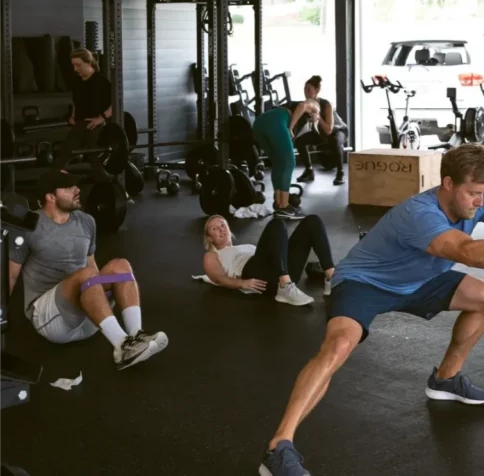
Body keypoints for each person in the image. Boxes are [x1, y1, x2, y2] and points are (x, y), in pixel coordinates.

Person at [258, 144, 484, 476]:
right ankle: (279, 446)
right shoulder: (419, 214)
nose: (480, 201)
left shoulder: (476, 199)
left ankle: (446, 379)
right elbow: (468, 253)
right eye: (473, 193)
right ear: (447, 184)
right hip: (367, 282)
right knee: (338, 347)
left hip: (420, 280)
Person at [8, 169, 168, 370]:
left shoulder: (87, 221)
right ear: (50, 197)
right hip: (50, 321)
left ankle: (135, 336)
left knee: (120, 265)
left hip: (86, 318)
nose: (77, 189)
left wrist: (99, 297)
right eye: (68, 187)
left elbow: (91, 266)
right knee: (87, 274)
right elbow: (10, 275)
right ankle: (121, 347)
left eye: (75, 185)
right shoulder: (28, 227)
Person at [202, 214, 335, 306]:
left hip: (279, 271)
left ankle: (332, 278)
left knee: (312, 221)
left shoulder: (246, 246)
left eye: (222, 225)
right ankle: (285, 286)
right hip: (255, 274)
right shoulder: (212, 255)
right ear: (209, 238)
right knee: (277, 223)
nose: (221, 229)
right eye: (215, 228)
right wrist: (241, 283)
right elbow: (218, 278)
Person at [252, 99, 321, 220]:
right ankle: (284, 206)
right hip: (276, 121)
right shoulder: (315, 107)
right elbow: (303, 105)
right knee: (289, 163)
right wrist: (291, 127)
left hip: (260, 123)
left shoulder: (302, 119)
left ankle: (279, 204)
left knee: (278, 163)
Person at [52, 48, 113, 181]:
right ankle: (57, 186)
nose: (75, 69)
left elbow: (115, 104)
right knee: (64, 153)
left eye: (78, 65)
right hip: (80, 123)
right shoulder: (77, 82)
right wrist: (73, 115)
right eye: (73, 65)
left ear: (89, 63)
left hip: (96, 124)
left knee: (93, 155)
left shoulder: (101, 81)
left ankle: (110, 184)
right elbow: (76, 101)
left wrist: (101, 118)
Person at [294, 76, 348, 186]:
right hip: (320, 133)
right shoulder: (306, 105)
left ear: (317, 90)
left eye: (309, 89)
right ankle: (309, 171)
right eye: (305, 89)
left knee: (336, 141)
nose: (306, 92)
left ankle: (340, 173)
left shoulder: (326, 104)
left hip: (338, 130)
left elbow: (329, 130)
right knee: (299, 141)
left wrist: (318, 117)